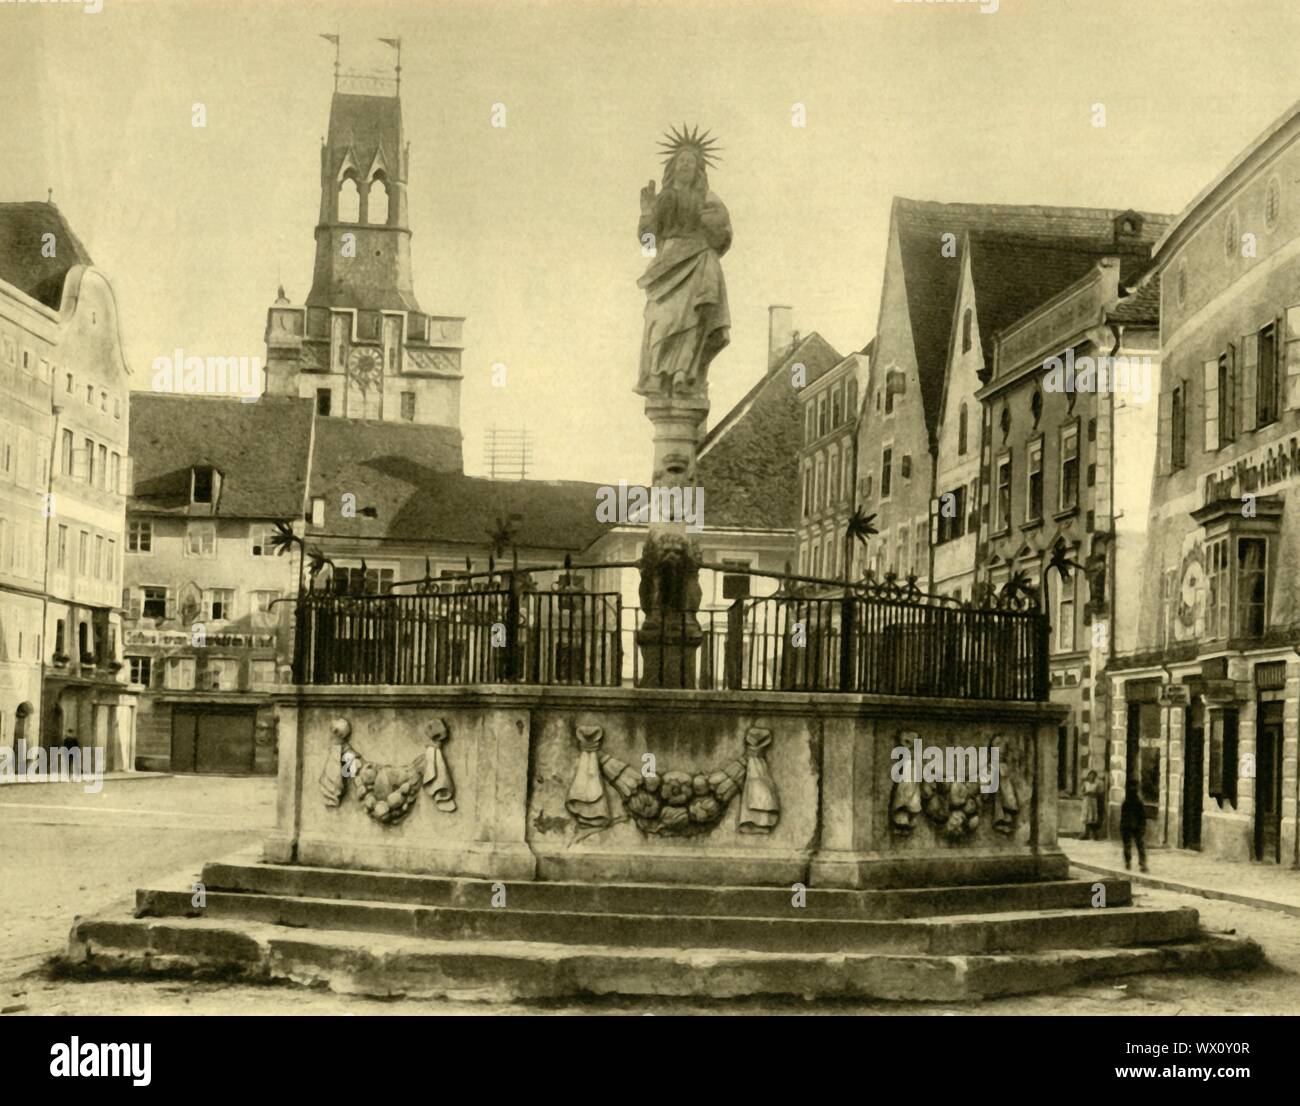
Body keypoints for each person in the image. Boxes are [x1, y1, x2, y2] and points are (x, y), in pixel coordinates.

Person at [1120, 779, 1148, 873]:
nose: (1134, 789)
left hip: (1133, 826)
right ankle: (1135, 863)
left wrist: (1142, 825)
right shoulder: (1133, 802)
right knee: (1135, 845)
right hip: (1130, 826)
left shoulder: (1133, 802)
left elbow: (1142, 816)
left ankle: (1140, 864)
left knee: (1137, 845)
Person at [1082, 769, 1104, 840]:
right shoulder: (1085, 783)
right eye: (1090, 775)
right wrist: (1086, 793)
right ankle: (1086, 834)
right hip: (1086, 801)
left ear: (1095, 777)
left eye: (1093, 776)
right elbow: (1082, 792)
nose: (1091, 777)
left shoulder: (1096, 784)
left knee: (1093, 817)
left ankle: (1095, 834)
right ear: (1088, 776)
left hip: (1093, 801)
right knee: (1087, 816)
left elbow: (1099, 793)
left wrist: (1093, 794)